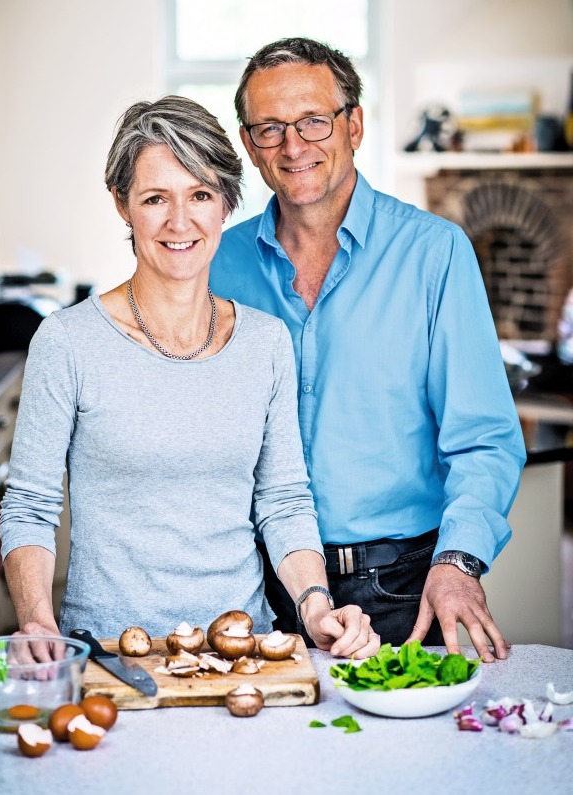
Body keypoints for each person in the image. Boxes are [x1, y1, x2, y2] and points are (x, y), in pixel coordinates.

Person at [0, 95, 379, 659]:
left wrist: (316, 606)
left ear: (225, 202)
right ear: (122, 206)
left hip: (243, 650)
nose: (180, 222)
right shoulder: (67, 341)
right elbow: (30, 505)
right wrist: (35, 620)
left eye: (200, 194)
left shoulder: (265, 341)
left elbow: (283, 500)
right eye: (156, 198)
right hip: (110, 653)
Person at [210, 38, 527, 663]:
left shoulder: (435, 253)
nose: (292, 146)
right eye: (270, 128)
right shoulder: (217, 263)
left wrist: (458, 562)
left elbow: (485, 437)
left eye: (312, 121)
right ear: (248, 145)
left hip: (402, 584)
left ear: (354, 124)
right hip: (250, 580)